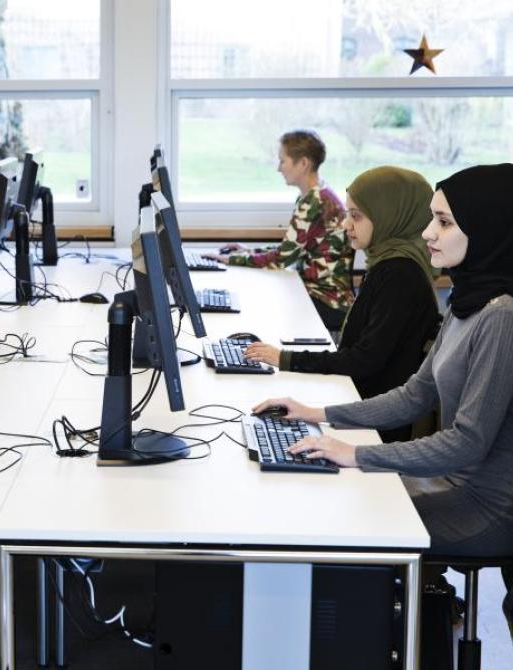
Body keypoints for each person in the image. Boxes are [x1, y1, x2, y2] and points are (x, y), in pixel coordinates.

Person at [254, 163, 513, 615]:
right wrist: (318, 413)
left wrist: (356, 454)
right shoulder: (467, 300)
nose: (428, 232)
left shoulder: (501, 316)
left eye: (445, 222)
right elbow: (416, 394)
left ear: (490, 229)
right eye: (432, 218)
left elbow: (468, 443)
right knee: (330, 495)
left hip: (486, 507)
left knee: (341, 518)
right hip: (447, 483)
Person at [244, 166, 440, 442]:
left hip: (373, 424)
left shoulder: (399, 273)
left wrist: (285, 359)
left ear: (388, 215)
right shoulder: (387, 262)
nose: (346, 224)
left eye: (356, 216)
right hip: (358, 403)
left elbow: (364, 359)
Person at [205, 130, 354, 331]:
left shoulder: (314, 201)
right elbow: (290, 249)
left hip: (327, 301)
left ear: (303, 163)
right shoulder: (317, 195)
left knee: (257, 306)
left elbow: (282, 259)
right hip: (318, 293)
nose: (278, 168)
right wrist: (247, 251)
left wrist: (230, 259)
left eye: (283, 161)